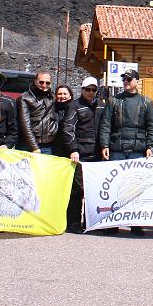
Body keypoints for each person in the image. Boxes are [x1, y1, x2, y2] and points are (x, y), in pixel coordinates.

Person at [97, 68, 153, 235]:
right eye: (124, 80)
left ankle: (136, 224)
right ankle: (112, 223)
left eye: (129, 80)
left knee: (136, 187)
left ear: (137, 81)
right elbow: (106, 125)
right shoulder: (113, 101)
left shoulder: (146, 102)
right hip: (117, 148)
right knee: (115, 187)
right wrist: (104, 145)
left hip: (138, 149)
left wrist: (150, 146)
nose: (126, 82)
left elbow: (152, 126)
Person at [62, 77, 103, 232]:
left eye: (94, 90)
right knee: (78, 190)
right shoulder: (74, 106)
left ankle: (90, 222)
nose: (91, 92)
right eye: (88, 89)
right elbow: (67, 129)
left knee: (94, 191)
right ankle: (73, 223)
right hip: (80, 154)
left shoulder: (102, 106)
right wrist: (73, 149)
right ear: (82, 89)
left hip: (98, 155)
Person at [18, 71, 56, 154]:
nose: (44, 85)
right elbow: (25, 124)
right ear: (35, 81)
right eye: (41, 82)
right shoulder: (24, 98)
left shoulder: (52, 97)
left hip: (47, 145)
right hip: (28, 145)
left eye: (47, 83)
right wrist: (34, 147)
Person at [50, 85, 77, 157]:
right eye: (59, 94)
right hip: (54, 146)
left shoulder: (75, 109)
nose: (62, 96)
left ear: (70, 96)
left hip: (71, 146)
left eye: (65, 94)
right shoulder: (52, 109)